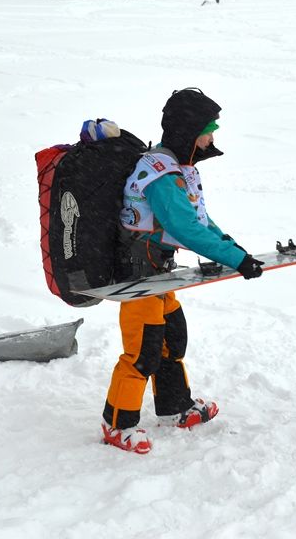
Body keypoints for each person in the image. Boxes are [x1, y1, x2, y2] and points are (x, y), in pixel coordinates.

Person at [100, 87, 265, 454]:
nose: (211, 138)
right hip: (138, 277)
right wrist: (233, 259)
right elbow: (184, 228)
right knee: (142, 351)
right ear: (190, 131)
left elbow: (199, 221)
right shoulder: (160, 173)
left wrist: (231, 248)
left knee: (172, 340)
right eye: (208, 130)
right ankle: (116, 424)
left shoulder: (177, 168)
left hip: (159, 274)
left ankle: (175, 408)